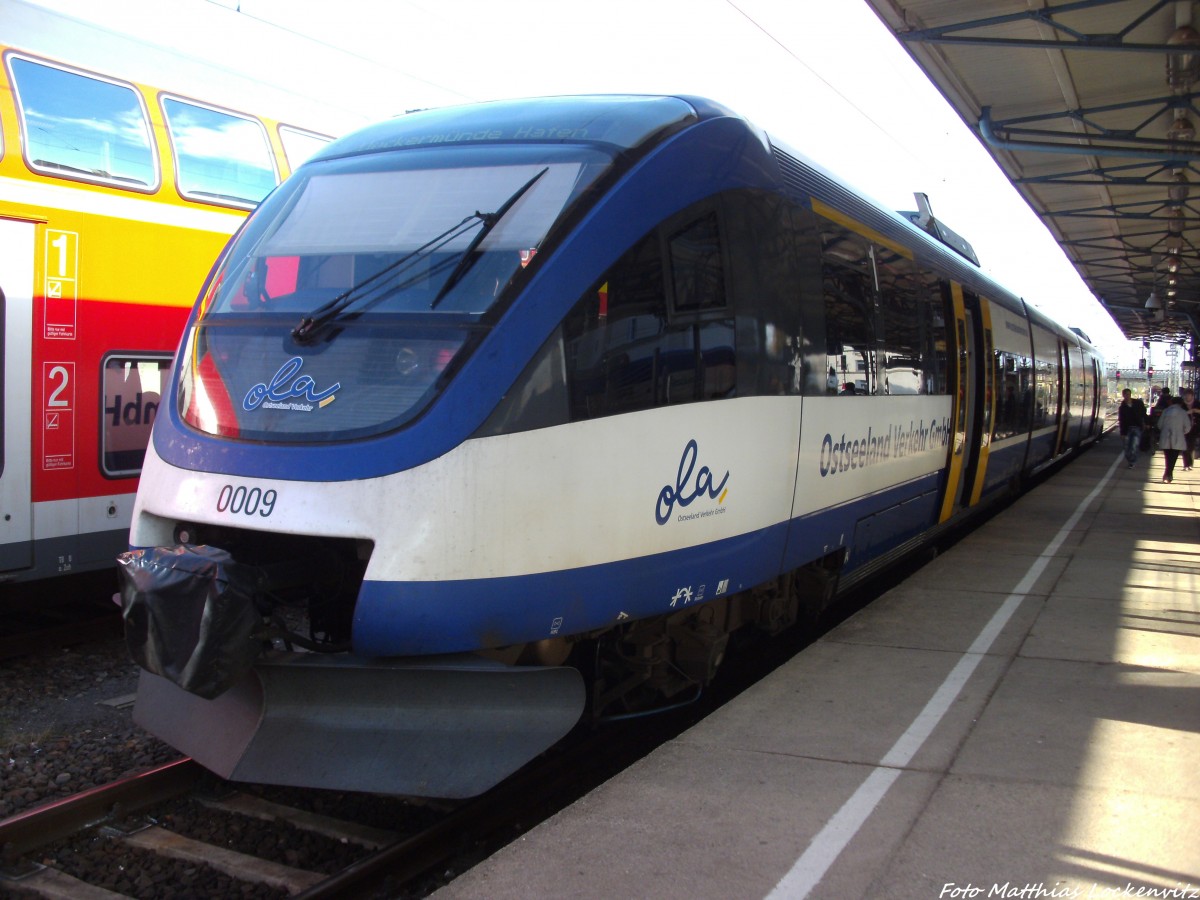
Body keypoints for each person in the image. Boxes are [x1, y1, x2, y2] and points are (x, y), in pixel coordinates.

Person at [1157, 396, 1190, 484]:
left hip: (1165, 437)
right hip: (1178, 438)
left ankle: (1167, 474)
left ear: (1171, 403)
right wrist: (1182, 432)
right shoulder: (1183, 413)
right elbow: (1187, 427)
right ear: (1181, 403)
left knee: (1167, 458)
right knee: (1173, 458)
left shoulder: (1165, 411)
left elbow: (1159, 425)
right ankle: (1169, 475)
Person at [1117, 388, 1148, 468]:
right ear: (1123, 395)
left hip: (1137, 428)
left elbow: (1143, 414)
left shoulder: (1138, 403)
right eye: (1125, 394)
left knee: (1134, 445)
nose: (1127, 396)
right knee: (1126, 447)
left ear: (1130, 394)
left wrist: (1146, 423)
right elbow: (1121, 420)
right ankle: (1130, 459)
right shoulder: (1122, 407)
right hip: (1127, 429)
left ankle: (1132, 462)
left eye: (1128, 394)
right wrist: (1122, 433)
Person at [1182, 388, 1199, 471]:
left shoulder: (1197, 403)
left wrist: (1195, 410)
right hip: (1184, 428)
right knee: (1184, 446)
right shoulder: (1182, 404)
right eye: (1185, 395)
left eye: (1189, 395)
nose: (1187, 397)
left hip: (1194, 428)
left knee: (1191, 446)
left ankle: (1190, 463)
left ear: (1192, 396)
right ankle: (1186, 464)